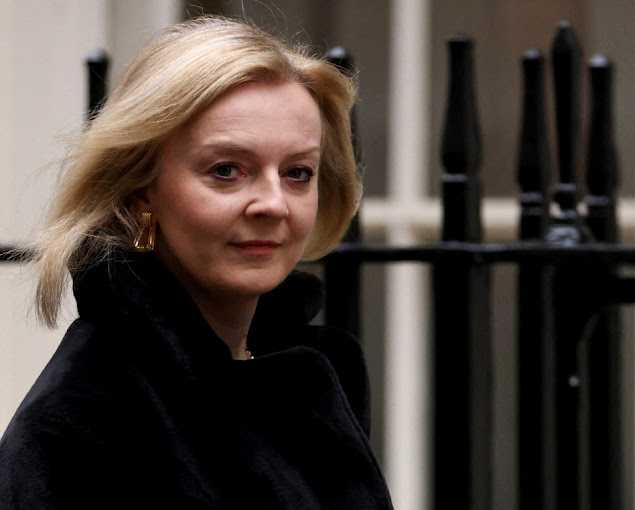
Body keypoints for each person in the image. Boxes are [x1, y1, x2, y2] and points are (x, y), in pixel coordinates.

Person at [0, 15, 392, 509]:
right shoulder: (83, 419)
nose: (273, 203)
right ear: (142, 192)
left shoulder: (315, 377)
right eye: (226, 170)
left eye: (297, 172)